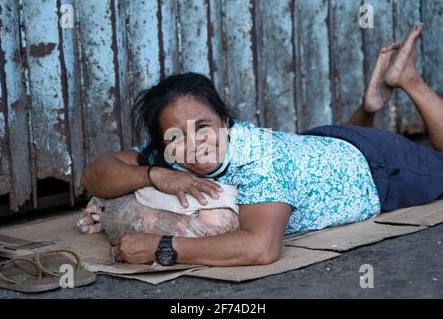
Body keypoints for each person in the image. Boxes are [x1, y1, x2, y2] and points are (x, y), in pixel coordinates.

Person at [81, 24, 443, 266]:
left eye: (204, 127)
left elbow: (261, 248)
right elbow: (96, 176)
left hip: (377, 167)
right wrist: (154, 175)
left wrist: (163, 248)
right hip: (319, 144)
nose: (194, 145)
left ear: (226, 121)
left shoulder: (259, 160)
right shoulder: (171, 149)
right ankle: (368, 108)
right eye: (177, 137)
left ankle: (407, 78)